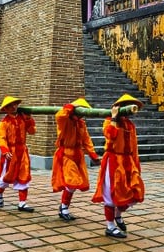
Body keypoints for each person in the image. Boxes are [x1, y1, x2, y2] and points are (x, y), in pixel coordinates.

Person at [91, 94, 145, 238]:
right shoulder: (109, 121)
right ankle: (110, 226)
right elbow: (110, 135)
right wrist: (114, 118)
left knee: (133, 192)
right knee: (110, 193)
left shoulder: (130, 125)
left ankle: (118, 215)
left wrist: (136, 165)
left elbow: (134, 146)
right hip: (113, 161)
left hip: (128, 161)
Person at [51, 98, 101, 221]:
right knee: (72, 182)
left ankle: (64, 207)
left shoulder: (81, 123)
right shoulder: (65, 121)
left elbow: (86, 139)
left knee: (75, 183)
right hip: (66, 154)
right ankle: (63, 208)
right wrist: (68, 108)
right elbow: (59, 116)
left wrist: (92, 154)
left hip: (78, 155)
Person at [0, 96, 36, 212]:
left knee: (24, 175)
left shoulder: (23, 118)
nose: (13, 107)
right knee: (7, 175)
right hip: (10, 152)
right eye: (10, 105)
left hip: (22, 151)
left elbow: (32, 132)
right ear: (5, 108)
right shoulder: (4, 122)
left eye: (15, 104)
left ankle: (22, 203)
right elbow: (1, 138)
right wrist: (5, 151)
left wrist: (28, 119)